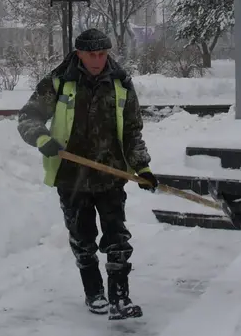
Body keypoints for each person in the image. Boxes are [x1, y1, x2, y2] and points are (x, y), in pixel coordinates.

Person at [17, 28, 160, 320]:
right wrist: (42, 139)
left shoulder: (121, 83)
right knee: (83, 240)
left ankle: (120, 298)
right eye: (91, 54)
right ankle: (94, 293)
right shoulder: (59, 82)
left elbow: (132, 131)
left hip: (111, 174)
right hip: (71, 176)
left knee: (117, 239)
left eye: (102, 54)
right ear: (79, 54)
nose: (97, 60)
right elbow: (28, 116)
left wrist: (142, 166)